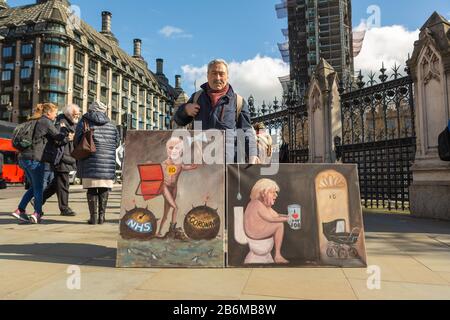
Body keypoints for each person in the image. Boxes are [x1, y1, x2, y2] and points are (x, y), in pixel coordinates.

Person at [173, 59, 257, 164]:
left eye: (221, 74)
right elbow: (178, 121)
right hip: (200, 163)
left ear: (227, 76)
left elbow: (246, 131)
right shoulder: (196, 97)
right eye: (214, 73)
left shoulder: (238, 102)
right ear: (207, 75)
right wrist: (185, 110)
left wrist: (253, 155)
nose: (218, 78)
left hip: (228, 165)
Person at [11, 103, 72, 224]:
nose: (56, 115)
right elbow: (58, 136)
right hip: (35, 159)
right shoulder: (45, 121)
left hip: (23, 158)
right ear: (48, 113)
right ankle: (37, 213)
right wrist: (65, 130)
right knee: (39, 188)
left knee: (34, 187)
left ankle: (20, 210)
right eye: (55, 112)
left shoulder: (32, 121)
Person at [76, 101, 119, 225]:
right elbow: (116, 143)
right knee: (104, 189)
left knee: (91, 189)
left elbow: (77, 140)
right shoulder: (111, 125)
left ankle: (93, 218)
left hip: (89, 159)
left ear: (91, 109)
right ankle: (102, 217)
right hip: (107, 162)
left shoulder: (84, 122)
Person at [43, 104, 81, 216]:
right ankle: (64, 208)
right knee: (63, 184)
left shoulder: (70, 123)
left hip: (68, 157)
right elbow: (56, 140)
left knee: (57, 184)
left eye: (78, 115)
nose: (77, 117)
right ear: (69, 114)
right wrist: (68, 139)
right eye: (75, 115)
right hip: (62, 158)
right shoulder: (61, 123)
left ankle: (38, 200)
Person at [157, 137, 198, 239]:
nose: (174, 151)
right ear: (167, 150)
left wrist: (198, 150)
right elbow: (158, 175)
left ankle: (159, 232)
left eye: (177, 148)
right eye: (171, 148)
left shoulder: (180, 164)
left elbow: (194, 166)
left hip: (173, 189)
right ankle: (172, 229)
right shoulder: (164, 164)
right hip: (165, 187)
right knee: (175, 207)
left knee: (166, 213)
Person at [244, 179, 289, 264]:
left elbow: (276, 216)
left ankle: (277, 255)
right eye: (273, 192)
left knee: (278, 222)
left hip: (257, 233)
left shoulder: (263, 206)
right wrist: (288, 219)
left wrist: (288, 216)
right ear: (263, 193)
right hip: (255, 235)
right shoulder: (256, 204)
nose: (276, 195)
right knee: (279, 225)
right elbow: (272, 219)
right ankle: (278, 255)